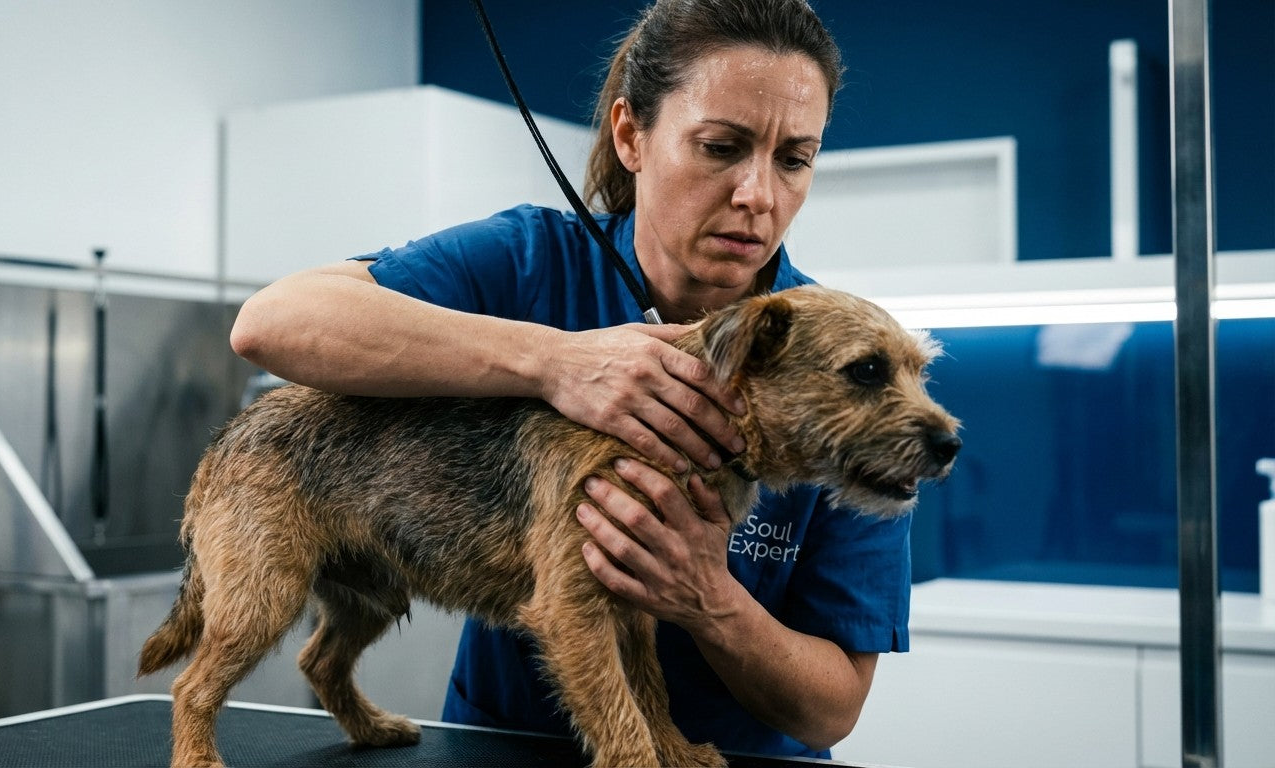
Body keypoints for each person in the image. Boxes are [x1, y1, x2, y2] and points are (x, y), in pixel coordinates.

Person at [229, 0, 910, 759]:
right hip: (505, 749)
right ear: (630, 135)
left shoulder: (847, 368)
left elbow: (830, 711)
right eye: (720, 147)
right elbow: (274, 321)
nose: (758, 196)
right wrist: (555, 362)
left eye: (794, 159)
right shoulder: (529, 263)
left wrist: (708, 600)